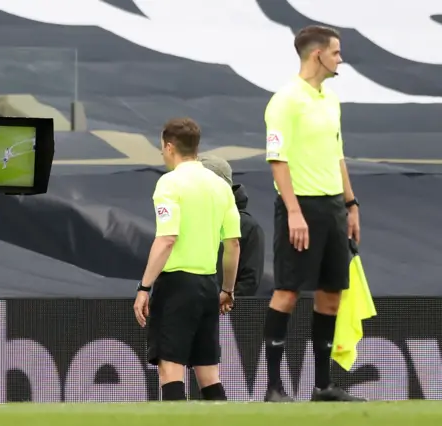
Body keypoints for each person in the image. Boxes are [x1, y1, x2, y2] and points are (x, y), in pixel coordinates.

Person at [262, 25, 365, 402]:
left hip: (333, 207)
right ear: (317, 54)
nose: (341, 59)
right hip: (300, 206)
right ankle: (273, 387)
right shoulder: (285, 101)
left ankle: (322, 387)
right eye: (336, 52)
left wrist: (350, 205)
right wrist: (293, 212)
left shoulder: (330, 100)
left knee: (331, 295)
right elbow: (277, 160)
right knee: (287, 292)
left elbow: (337, 156)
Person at [133, 118, 241, 402]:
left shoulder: (169, 183)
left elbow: (167, 238)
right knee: (208, 373)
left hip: (176, 286)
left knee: (170, 368)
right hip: (208, 285)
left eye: (162, 148)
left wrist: (144, 288)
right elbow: (232, 244)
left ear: (169, 147)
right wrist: (227, 289)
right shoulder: (220, 187)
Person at [198, 154, 265, 296]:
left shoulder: (248, 227)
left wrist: (222, 301)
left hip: (224, 312)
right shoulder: (191, 217)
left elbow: (250, 280)